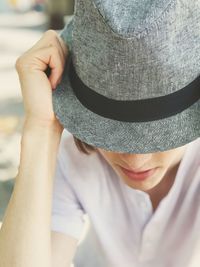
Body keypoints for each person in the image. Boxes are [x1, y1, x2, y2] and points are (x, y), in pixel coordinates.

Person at [0, 1, 200, 267]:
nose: (136, 160)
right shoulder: (71, 154)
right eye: (111, 133)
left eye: (160, 136)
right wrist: (41, 129)